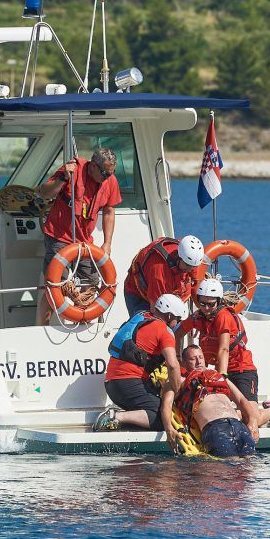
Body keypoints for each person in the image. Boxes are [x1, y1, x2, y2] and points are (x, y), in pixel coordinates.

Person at [36, 146, 122, 325]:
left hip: (84, 242)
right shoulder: (72, 169)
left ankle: (85, 327)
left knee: (91, 283)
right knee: (54, 286)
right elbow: (44, 193)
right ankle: (41, 329)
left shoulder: (110, 181)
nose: (108, 177)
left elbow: (109, 211)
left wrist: (107, 243)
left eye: (111, 173)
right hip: (59, 236)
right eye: (105, 173)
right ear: (93, 166)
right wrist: (62, 178)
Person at [93, 293, 187, 432]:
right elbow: (172, 365)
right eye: (177, 320)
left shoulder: (141, 317)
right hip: (128, 384)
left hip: (112, 386)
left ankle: (121, 420)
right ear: (169, 316)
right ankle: (116, 417)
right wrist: (178, 390)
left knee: (157, 407)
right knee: (165, 418)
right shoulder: (164, 331)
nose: (177, 324)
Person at [160, 345, 263, 458]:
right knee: (229, 467)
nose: (199, 362)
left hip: (238, 425)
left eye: (201, 357)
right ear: (183, 363)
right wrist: (168, 428)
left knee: (250, 465)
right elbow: (166, 406)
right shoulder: (179, 381)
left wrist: (252, 421)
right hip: (215, 427)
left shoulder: (219, 377)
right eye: (193, 359)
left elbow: (241, 399)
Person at [179, 278, 262, 403]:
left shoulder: (223, 317)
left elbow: (224, 348)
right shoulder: (198, 316)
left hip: (241, 369)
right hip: (220, 369)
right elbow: (176, 334)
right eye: (202, 303)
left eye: (211, 304)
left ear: (218, 301)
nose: (206, 308)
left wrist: (222, 376)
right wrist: (176, 359)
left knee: (251, 415)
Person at [122, 234, 206, 314]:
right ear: (179, 257)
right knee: (148, 325)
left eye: (193, 266)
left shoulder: (190, 256)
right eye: (188, 265)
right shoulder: (159, 271)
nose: (190, 269)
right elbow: (156, 309)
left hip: (167, 289)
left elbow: (193, 273)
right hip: (138, 295)